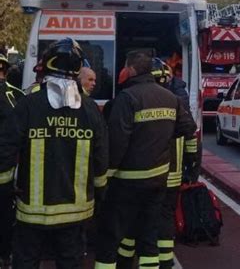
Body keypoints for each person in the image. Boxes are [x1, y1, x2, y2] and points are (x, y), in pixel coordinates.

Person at [0, 38, 109, 269]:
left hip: (32, 212)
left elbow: (6, 152)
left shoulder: (28, 104)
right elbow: (101, 159)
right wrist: (100, 195)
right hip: (76, 212)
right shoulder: (90, 110)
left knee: (26, 262)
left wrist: (6, 190)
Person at [94, 51, 197, 269]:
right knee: (149, 238)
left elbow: (117, 143)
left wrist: (105, 178)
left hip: (127, 181)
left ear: (130, 70)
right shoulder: (171, 98)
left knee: (111, 235)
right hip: (158, 180)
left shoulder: (127, 98)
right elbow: (187, 129)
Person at [0, 54, 24, 268]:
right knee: (5, 217)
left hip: (6, 172)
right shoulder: (17, 95)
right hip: (6, 174)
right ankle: (4, 256)